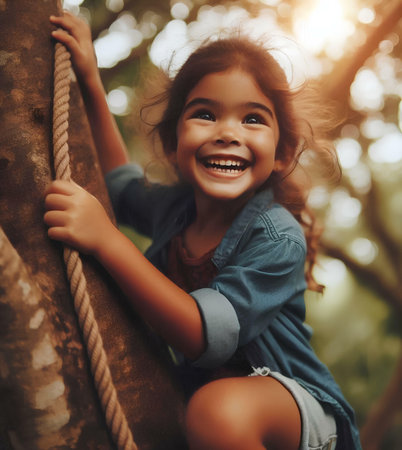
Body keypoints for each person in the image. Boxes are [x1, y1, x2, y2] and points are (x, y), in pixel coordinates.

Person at [44, 11, 362, 450]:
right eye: (206, 114)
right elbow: (118, 184)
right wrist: (90, 82)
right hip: (213, 413)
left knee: (217, 411)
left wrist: (107, 240)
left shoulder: (276, 238)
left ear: (283, 153)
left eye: (253, 119)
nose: (229, 132)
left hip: (299, 415)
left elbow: (203, 336)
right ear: (174, 146)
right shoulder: (176, 210)